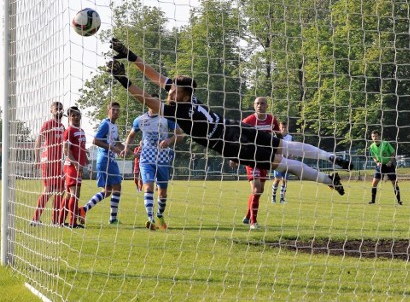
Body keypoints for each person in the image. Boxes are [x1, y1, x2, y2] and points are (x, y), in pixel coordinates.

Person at [105, 38, 351, 199]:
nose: (168, 91)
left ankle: (328, 177)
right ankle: (332, 160)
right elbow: (156, 76)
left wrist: (123, 79)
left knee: (281, 161)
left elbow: (147, 99)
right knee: (283, 147)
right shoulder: (186, 98)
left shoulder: (179, 110)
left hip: (231, 143)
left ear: (184, 93)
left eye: (172, 90)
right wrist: (129, 55)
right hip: (234, 127)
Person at [123, 97, 185, 230]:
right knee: (148, 187)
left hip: (163, 160)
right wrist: (126, 147)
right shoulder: (140, 120)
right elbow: (132, 135)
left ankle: (159, 215)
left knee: (162, 193)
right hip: (146, 159)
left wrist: (169, 140)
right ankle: (150, 219)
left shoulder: (167, 119)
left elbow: (180, 135)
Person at [229, 96, 281, 230]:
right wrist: (234, 156)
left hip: (265, 158)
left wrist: (282, 151)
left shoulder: (271, 120)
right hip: (251, 158)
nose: (260, 105)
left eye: (262, 103)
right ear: (254, 106)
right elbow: (236, 136)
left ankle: (247, 216)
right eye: (257, 103)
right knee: (257, 189)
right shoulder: (248, 121)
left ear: (267, 106)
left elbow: (279, 136)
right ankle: (253, 222)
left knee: (259, 191)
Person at [79, 101, 125, 225]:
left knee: (107, 191)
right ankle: (113, 219)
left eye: (117, 110)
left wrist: (130, 152)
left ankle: (83, 209)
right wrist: (112, 148)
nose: (115, 112)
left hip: (108, 159)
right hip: (106, 159)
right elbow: (95, 140)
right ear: (108, 111)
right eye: (113, 109)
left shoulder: (114, 126)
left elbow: (118, 143)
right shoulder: (106, 124)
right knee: (117, 187)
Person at [31, 101, 66, 226]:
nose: (59, 111)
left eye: (61, 108)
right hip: (48, 161)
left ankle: (55, 220)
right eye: (56, 108)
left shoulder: (62, 127)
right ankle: (35, 218)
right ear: (51, 110)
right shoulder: (48, 124)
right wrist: (37, 158)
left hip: (58, 162)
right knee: (49, 189)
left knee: (61, 189)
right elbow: (38, 139)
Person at [62, 106, 89, 228]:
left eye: (78, 115)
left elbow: (80, 149)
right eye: (73, 115)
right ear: (69, 117)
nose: (76, 117)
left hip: (78, 166)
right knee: (74, 194)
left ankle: (60, 220)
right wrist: (75, 163)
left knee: (70, 195)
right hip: (71, 167)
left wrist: (86, 161)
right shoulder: (69, 131)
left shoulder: (82, 131)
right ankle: (72, 223)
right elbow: (66, 150)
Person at [368, 130, 402, 205]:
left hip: (389, 165)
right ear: (371, 137)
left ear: (379, 136)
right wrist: (377, 162)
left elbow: (393, 153)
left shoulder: (385, 144)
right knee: (374, 183)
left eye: (376, 136)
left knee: (394, 183)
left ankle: (399, 201)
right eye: (373, 136)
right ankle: (373, 201)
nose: (375, 138)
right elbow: (373, 156)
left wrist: (390, 161)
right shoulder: (371, 146)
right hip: (380, 166)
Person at [271, 121, 292, 204]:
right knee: (277, 179)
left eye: (285, 127)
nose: (283, 129)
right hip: (278, 161)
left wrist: (291, 155)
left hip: (287, 162)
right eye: (282, 127)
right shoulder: (275, 137)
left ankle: (282, 199)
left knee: (285, 180)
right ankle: (273, 197)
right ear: (279, 127)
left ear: (287, 127)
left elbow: (293, 148)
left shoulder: (290, 137)